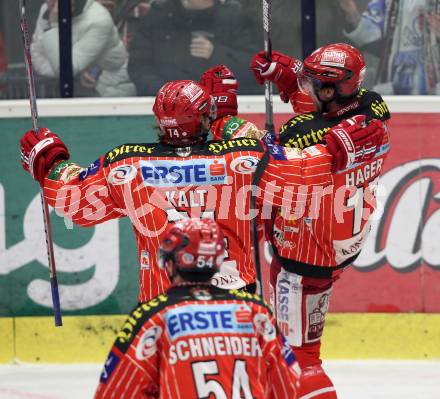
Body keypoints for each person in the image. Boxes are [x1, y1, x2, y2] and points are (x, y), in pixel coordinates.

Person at [19, 79, 385, 304]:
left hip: (162, 303)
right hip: (236, 297)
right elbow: (302, 174)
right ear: (204, 117)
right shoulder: (243, 158)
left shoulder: (125, 165)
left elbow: (75, 204)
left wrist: (49, 162)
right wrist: (334, 149)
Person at [250, 42, 391, 398]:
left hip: (307, 254)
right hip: (335, 240)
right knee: (294, 350)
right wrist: (285, 73)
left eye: (311, 82)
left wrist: (253, 140)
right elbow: (320, 112)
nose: (304, 87)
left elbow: (274, 168)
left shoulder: (308, 137)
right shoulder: (367, 109)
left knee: (298, 359)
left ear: (330, 90)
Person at [94, 217, 300, 398]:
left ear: (169, 264)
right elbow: (289, 387)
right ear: (219, 261)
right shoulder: (257, 312)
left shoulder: (152, 317)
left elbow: (114, 392)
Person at [127, 0, 259, 96]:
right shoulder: (159, 16)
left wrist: (216, 54)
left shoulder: (233, 18)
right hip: (166, 108)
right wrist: (169, 92)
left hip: (219, 109)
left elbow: (253, 69)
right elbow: (139, 66)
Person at [31, 0, 135, 97]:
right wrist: (76, 71)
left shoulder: (99, 19)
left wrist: (54, 25)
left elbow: (65, 70)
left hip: (112, 90)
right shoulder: (49, 9)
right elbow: (38, 58)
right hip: (75, 89)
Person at [337, 0, 440, 94]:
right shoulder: (386, 2)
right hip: (394, 84)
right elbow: (371, 36)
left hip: (433, 87)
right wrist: (353, 15)